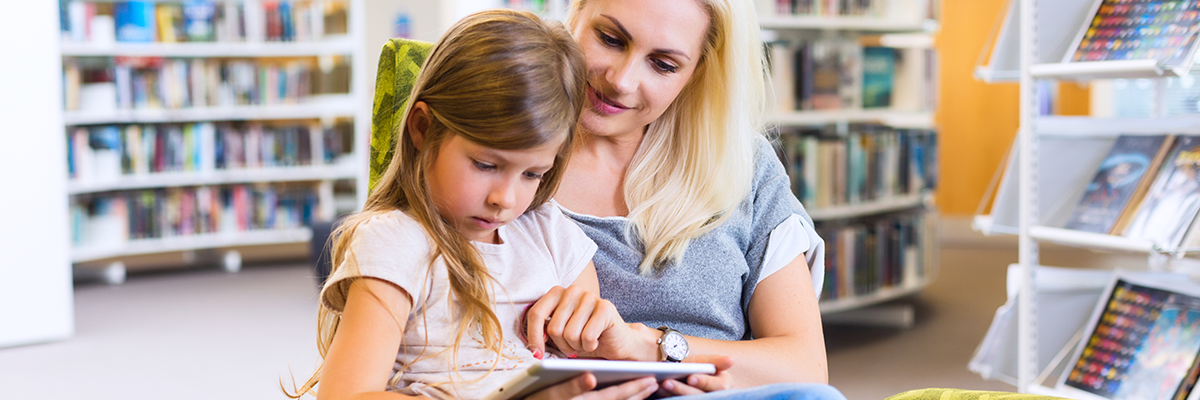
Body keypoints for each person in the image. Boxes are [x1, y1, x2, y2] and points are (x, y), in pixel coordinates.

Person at [285, 10, 663, 400]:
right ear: (422, 128)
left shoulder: (552, 234)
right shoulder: (394, 243)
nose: (505, 198)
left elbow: (591, 361)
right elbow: (346, 395)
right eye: (486, 165)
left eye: (532, 174)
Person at [523, 0, 845, 398]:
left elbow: (805, 368)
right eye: (610, 39)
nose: (621, 80)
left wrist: (652, 348)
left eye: (663, 64)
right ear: (575, 13)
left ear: (697, 73)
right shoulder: (496, 161)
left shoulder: (742, 166)